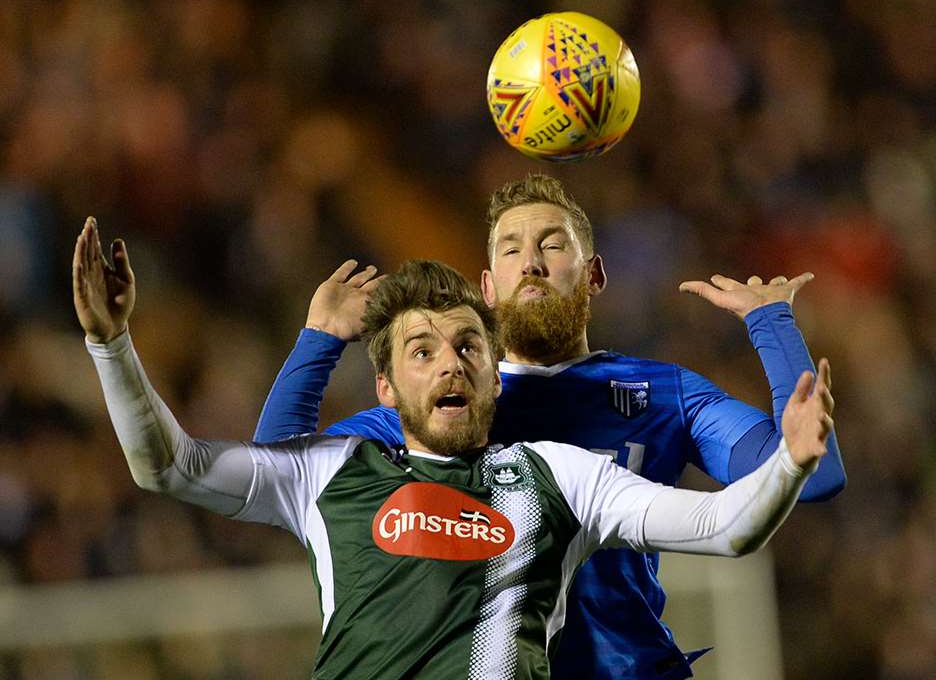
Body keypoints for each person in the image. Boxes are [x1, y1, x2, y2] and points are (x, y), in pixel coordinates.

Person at [74, 217, 835, 680]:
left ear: (494, 378)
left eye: (469, 345)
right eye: (422, 350)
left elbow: (726, 526)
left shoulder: (560, 478)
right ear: (383, 388)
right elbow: (170, 465)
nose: (450, 362)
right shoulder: (336, 470)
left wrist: (792, 460)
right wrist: (112, 347)